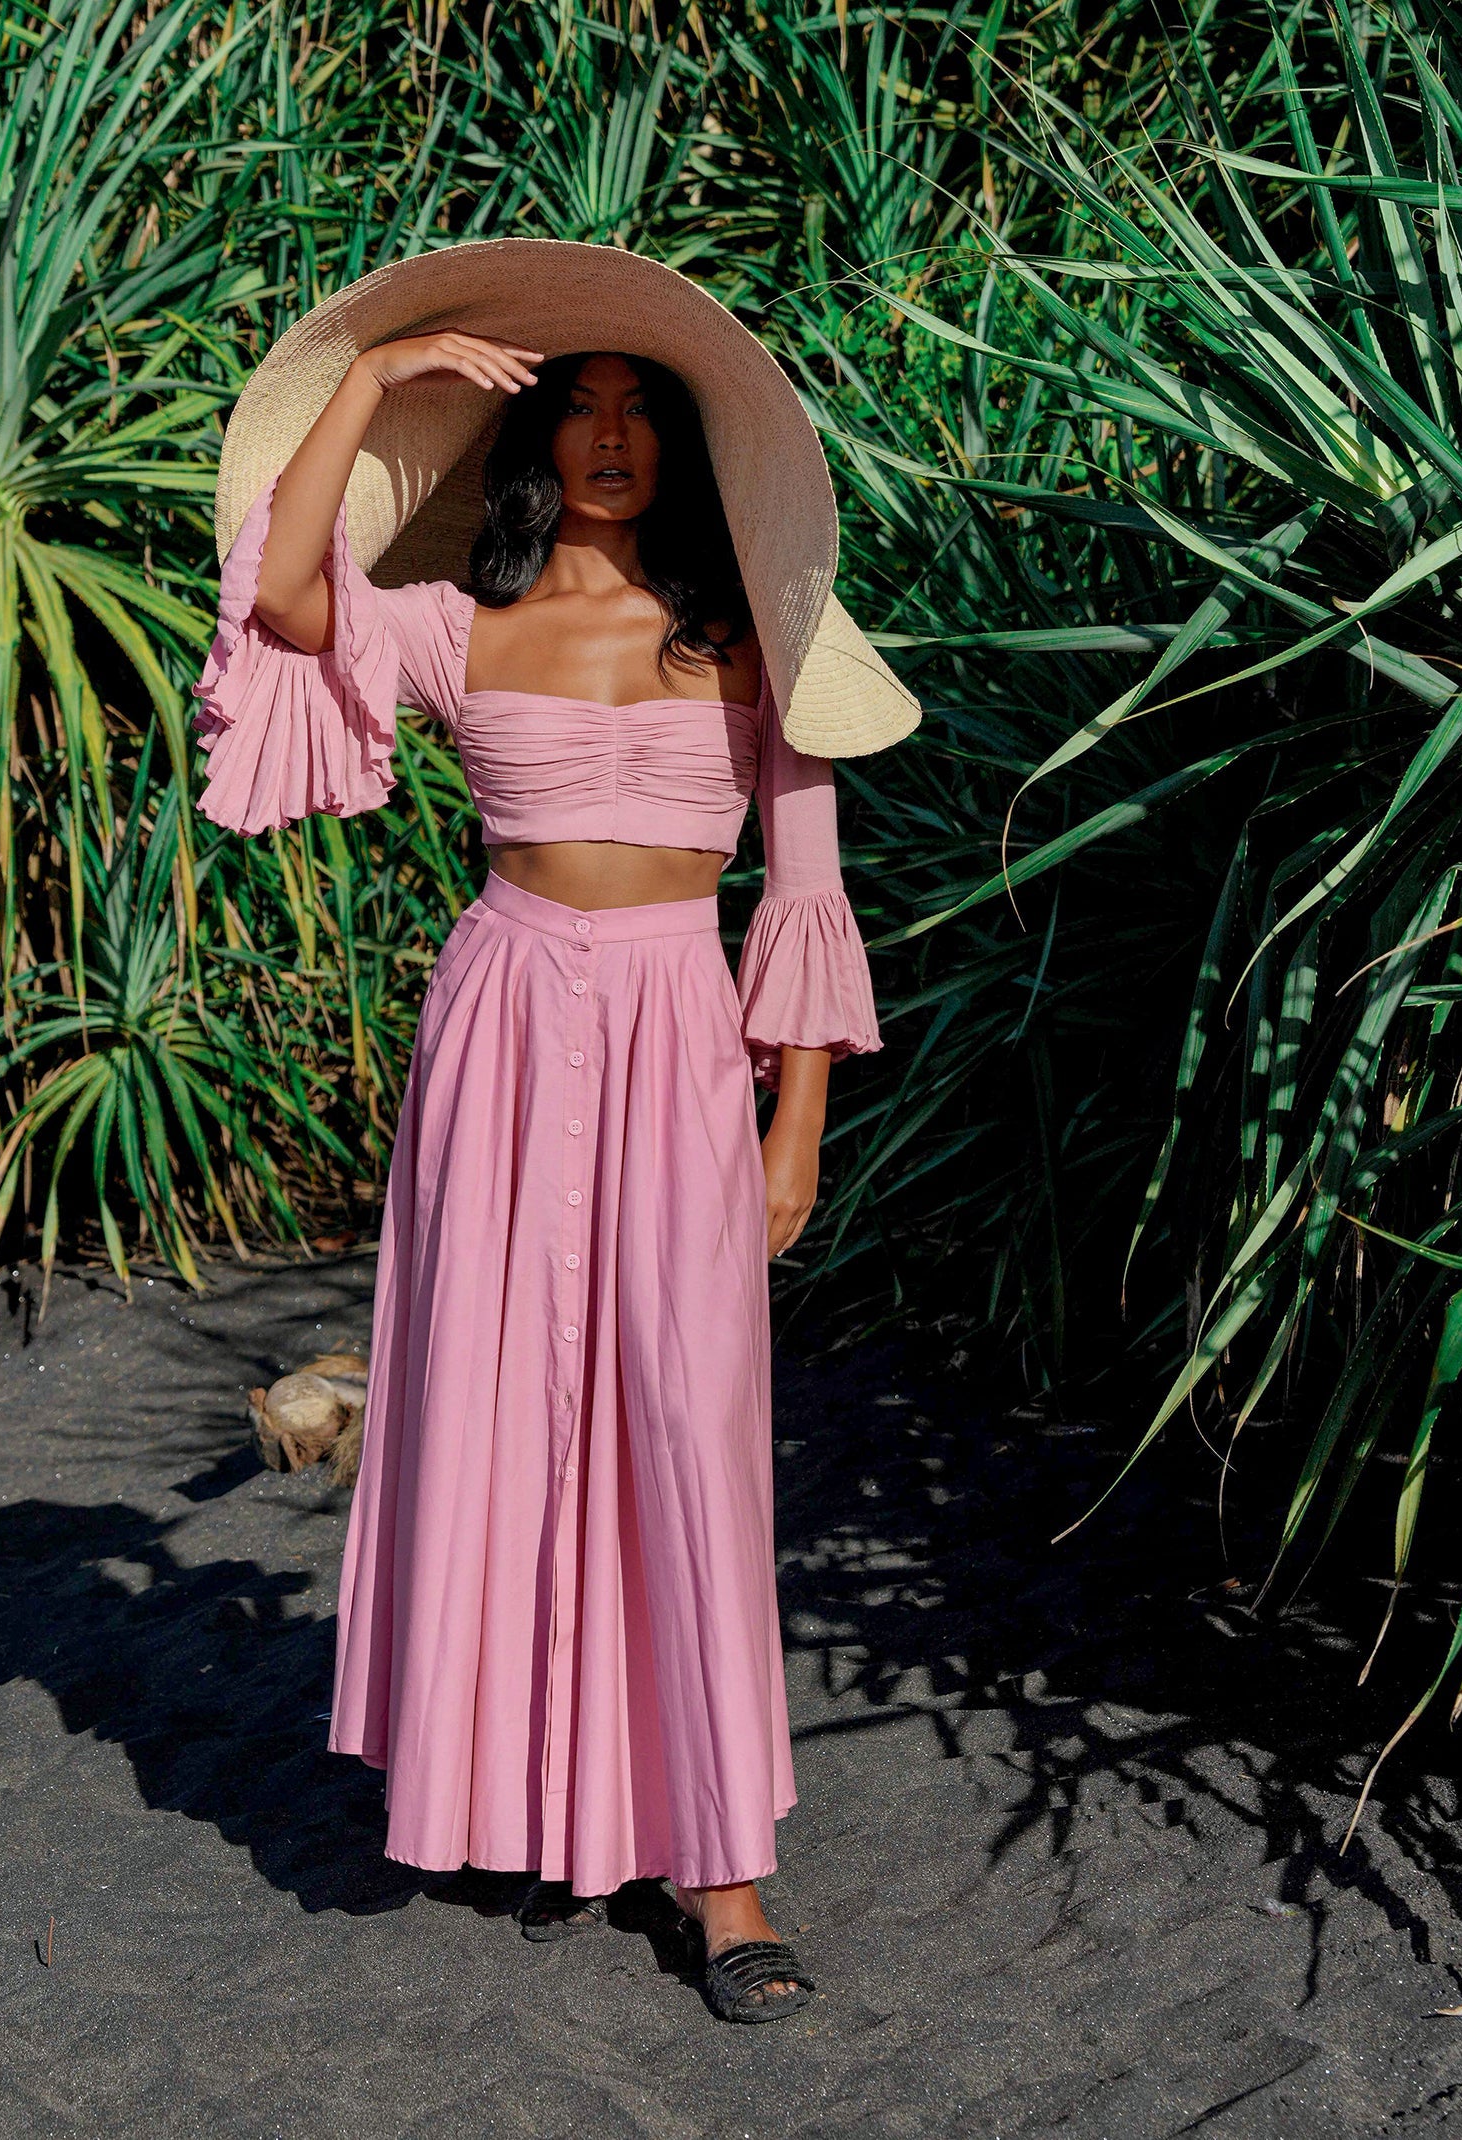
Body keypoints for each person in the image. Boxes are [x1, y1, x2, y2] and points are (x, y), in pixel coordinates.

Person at [193, 241, 919, 2024]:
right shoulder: (456, 623)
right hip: (504, 1022)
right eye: (577, 408)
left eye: (634, 411)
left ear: (675, 444)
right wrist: (378, 372)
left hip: (681, 1027)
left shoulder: (748, 634)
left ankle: (726, 1880)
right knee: (507, 1408)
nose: (606, 436)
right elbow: (286, 591)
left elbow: (803, 896)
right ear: (533, 445)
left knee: (681, 1423)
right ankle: (537, 1805)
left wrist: (795, 1128)